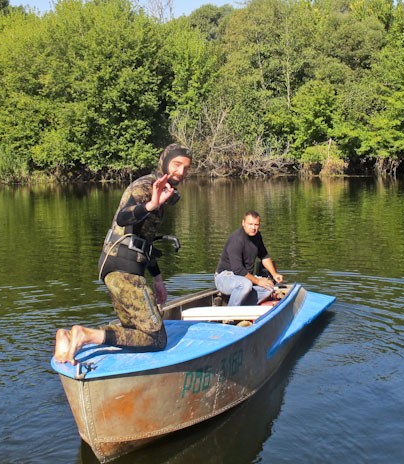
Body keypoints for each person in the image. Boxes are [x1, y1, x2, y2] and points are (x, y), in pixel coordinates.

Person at [54, 144, 192, 364]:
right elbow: (123, 217)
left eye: (186, 168)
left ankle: (67, 337)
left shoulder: (160, 191)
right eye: (177, 165)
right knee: (156, 337)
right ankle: (85, 335)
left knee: (133, 330)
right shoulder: (146, 186)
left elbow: (144, 241)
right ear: (164, 162)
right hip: (123, 267)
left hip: (116, 266)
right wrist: (151, 205)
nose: (181, 172)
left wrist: (157, 279)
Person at [214, 210, 284, 307]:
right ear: (243, 223)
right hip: (224, 277)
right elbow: (238, 269)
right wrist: (258, 281)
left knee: (269, 286)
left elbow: (264, 256)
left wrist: (274, 274)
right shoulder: (236, 239)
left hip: (243, 277)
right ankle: (231, 314)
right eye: (250, 224)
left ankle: (241, 306)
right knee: (245, 285)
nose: (253, 228)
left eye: (256, 225)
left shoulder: (257, 236)